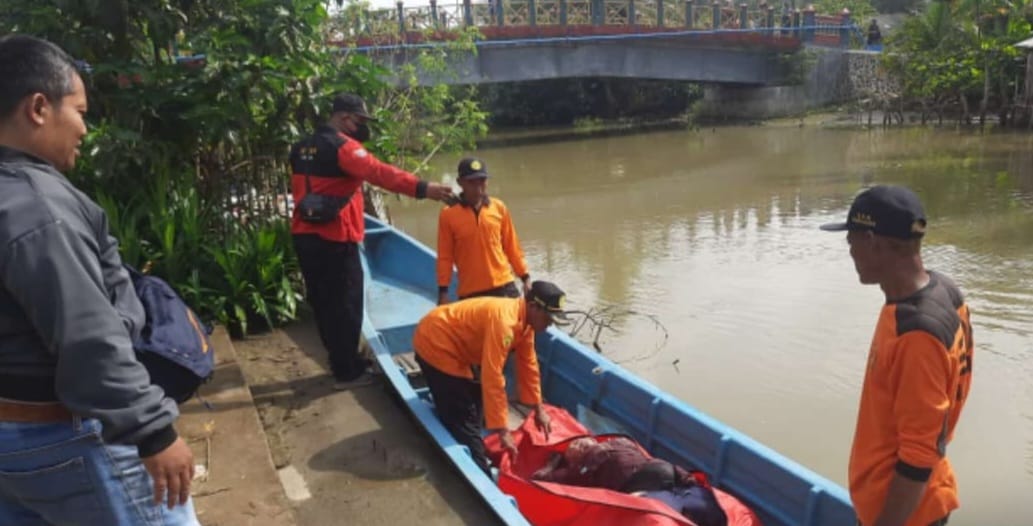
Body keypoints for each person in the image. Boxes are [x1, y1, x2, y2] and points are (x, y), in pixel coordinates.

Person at [0, 35, 199, 525]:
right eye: (79, 110)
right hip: (67, 436)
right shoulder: (38, 208)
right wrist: (154, 432)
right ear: (39, 107)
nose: (85, 128)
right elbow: (88, 337)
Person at [821, 185, 974, 526]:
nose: (850, 253)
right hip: (916, 501)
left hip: (906, 514)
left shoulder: (916, 332)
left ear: (872, 241)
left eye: (852, 242)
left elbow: (918, 457)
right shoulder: (943, 290)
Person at [290, 93, 453, 390]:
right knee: (348, 303)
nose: (362, 127)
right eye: (359, 121)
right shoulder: (345, 148)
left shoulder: (301, 147)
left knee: (324, 302)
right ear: (342, 118)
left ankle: (341, 361)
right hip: (335, 236)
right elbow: (380, 173)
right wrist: (423, 188)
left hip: (304, 235)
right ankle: (348, 371)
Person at [412, 281, 570, 473]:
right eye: (548, 318)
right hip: (436, 341)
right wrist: (503, 430)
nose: (549, 324)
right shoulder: (505, 323)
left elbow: (529, 364)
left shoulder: (526, 323)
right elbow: (492, 375)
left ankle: (471, 433)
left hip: (461, 347)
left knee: (477, 405)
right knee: (463, 420)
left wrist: (538, 409)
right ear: (532, 306)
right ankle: (479, 472)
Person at [532, 437, 728, 526]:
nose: (578, 444)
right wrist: (554, 462)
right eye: (573, 448)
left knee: (718, 515)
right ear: (572, 461)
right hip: (647, 491)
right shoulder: (577, 472)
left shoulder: (619, 441)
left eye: (579, 440)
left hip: (677, 481)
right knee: (672, 519)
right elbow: (539, 479)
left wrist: (687, 479)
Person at [437, 157, 530, 305]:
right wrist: (443, 292)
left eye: (482, 181)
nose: (478, 188)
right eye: (471, 183)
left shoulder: (499, 208)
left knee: (517, 326)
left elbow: (512, 247)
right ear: (460, 183)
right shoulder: (448, 215)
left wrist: (525, 278)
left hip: (503, 285)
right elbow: (445, 256)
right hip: (471, 292)